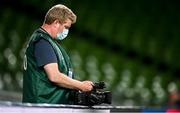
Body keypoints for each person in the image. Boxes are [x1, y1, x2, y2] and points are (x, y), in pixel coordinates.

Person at [22, 4, 93, 104]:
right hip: (42, 105)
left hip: (47, 104)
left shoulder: (48, 41)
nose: (66, 31)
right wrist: (81, 85)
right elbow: (54, 76)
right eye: (66, 27)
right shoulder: (42, 41)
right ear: (56, 22)